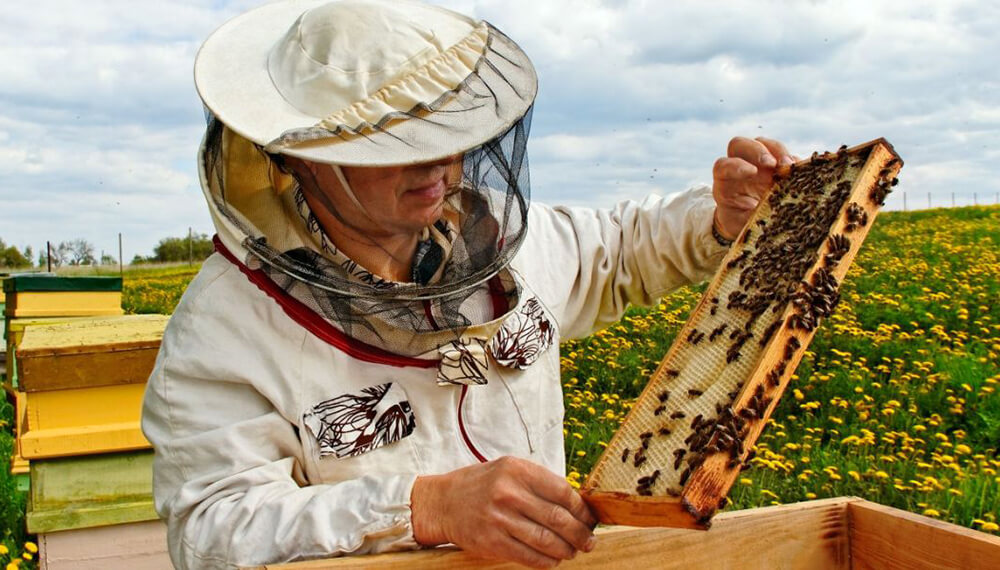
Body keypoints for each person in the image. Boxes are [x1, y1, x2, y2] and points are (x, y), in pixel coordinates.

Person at [141, 1, 795, 568]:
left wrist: (720, 220)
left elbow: (620, 251)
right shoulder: (222, 332)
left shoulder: (502, 242)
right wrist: (424, 507)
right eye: (393, 140)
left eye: (441, 124)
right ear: (299, 156)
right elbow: (211, 534)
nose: (437, 161)